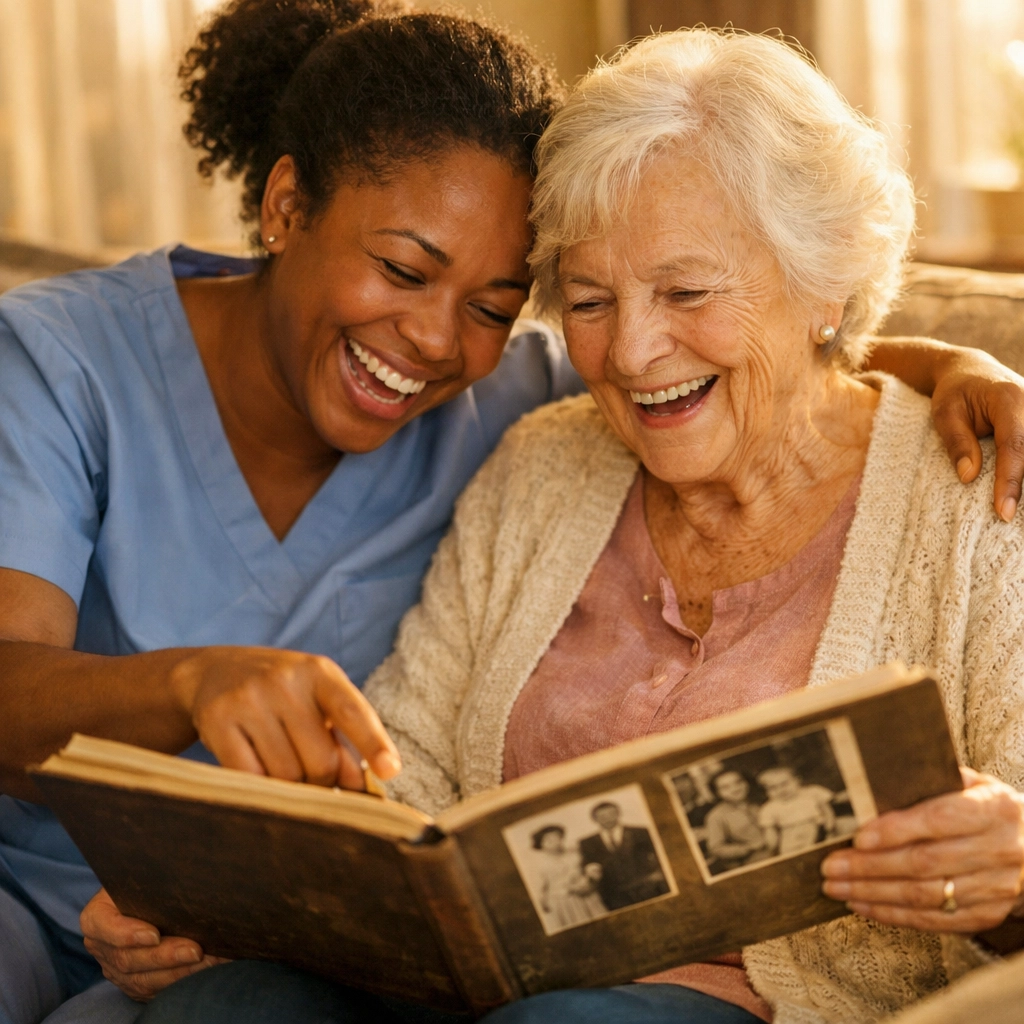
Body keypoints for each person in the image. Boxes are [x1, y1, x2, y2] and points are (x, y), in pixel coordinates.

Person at [2, 8, 1022, 1023]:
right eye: (586, 300)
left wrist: (949, 363)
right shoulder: (542, 449)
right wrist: (261, 895)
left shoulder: (974, 496)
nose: (628, 351)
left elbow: (780, 379)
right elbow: (407, 777)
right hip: (365, 972)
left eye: (686, 289)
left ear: (825, 283)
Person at [577, 803, 670, 911]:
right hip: (613, 894)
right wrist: (590, 870)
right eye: (602, 816)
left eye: (611, 814)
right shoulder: (587, 842)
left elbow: (660, 855)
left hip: (647, 887)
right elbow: (587, 865)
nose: (607, 819)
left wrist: (659, 873)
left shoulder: (640, 832)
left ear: (618, 813)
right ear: (595, 819)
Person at [530, 825, 606, 929]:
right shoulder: (539, 864)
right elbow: (541, 889)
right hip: (562, 902)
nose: (554, 842)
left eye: (557, 837)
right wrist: (544, 903)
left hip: (586, 895)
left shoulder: (576, 854)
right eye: (548, 840)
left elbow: (591, 870)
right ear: (540, 844)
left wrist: (589, 881)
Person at [755, 768, 836, 857]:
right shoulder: (769, 807)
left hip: (817, 827)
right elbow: (770, 830)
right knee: (790, 853)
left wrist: (829, 829)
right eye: (773, 788)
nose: (781, 790)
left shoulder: (812, 792)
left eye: (784, 784)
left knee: (817, 849)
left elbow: (827, 811)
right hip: (789, 833)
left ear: (797, 780)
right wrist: (772, 847)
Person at [703, 771, 769, 873]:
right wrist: (747, 848)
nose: (735, 789)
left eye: (738, 782)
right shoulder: (716, 816)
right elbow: (716, 848)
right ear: (717, 793)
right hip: (752, 861)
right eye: (725, 787)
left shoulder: (760, 800)